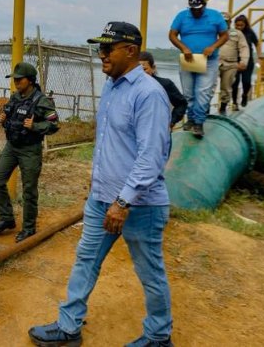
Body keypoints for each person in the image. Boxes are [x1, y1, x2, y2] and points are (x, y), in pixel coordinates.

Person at [29, 22, 173, 347]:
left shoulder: (149, 94)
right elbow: (110, 143)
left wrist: (123, 202)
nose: (101, 56)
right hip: (101, 199)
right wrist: (99, 184)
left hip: (139, 206)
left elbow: (151, 157)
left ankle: (159, 336)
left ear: (131, 51)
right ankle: (69, 327)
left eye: (108, 49)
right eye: (99, 49)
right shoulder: (111, 87)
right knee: (85, 260)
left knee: (150, 273)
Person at [0, 62, 59, 243]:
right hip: (11, 147)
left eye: (19, 79)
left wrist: (35, 126)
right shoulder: (15, 97)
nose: (16, 82)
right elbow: (10, 114)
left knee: (29, 190)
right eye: (15, 79)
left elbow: (55, 124)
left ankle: (28, 228)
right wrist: (3, 118)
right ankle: (6, 218)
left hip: (30, 150)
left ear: (30, 80)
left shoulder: (42, 101)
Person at [168, 0, 228, 138]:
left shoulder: (215, 16)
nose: (195, 11)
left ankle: (199, 123)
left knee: (203, 92)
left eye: (198, 8)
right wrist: (184, 48)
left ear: (204, 5)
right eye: (193, 8)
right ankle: (190, 119)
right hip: (188, 59)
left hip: (208, 60)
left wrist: (213, 47)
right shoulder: (182, 16)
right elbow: (172, 35)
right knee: (188, 93)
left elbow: (225, 35)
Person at [139, 51, 186, 129]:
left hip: (158, 129)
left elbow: (182, 104)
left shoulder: (165, 84)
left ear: (153, 68)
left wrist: (172, 121)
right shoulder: (128, 86)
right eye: (137, 70)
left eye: (144, 69)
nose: (141, 73)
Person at [217, 12, 249, 116]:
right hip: (214, 63)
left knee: (226, 87)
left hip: (230, 64)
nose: (224, 23)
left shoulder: (237, 34)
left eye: (226, 21)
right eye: (222, 21)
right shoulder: (212, 32)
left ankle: (223, 107)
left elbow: (244, 47)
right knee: (208, 86)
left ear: (230, 22)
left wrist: (243, 62)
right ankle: (205, 109)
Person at [231, 15, 259, 110]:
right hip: (235, 60)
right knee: (234, 82)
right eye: (237, 25)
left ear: (245, 25)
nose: (239, 27)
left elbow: (257, 43)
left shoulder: (250, 33)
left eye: (241, 25)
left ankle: (244, 95)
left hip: (248, 60)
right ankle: (234, 102)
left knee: (246, 81)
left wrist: (259, 57)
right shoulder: (233, 33)